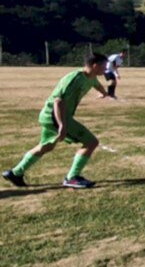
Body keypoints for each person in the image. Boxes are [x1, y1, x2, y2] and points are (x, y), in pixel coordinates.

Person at [3, 53, 109, 189]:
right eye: (104, 66)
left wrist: (104, 94)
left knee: (46, 146)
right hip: (55, 116)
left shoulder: (91, 77)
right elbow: (58, 102)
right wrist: (62, 125)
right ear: (95, 65)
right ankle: (72, 178)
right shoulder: (75, 78)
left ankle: (15, 173)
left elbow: (97, 85)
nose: (106, 69)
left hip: (50, 116)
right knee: (91, 142)